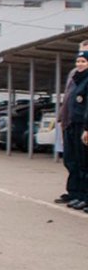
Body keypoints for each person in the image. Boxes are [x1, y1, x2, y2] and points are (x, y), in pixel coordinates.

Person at [57, 41, 88, 209]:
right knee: (72, 160)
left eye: (85, 55)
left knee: (83, 162)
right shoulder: (74, 74)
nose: (81, 58)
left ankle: (83, 194)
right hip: (70, 122)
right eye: (80, 54)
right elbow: (68, 97)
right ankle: (75, 192)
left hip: (81, 123)